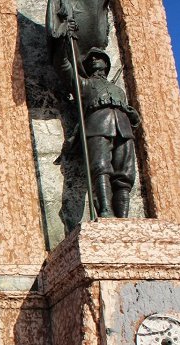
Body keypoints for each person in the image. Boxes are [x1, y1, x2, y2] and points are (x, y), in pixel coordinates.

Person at [57, 26, 140, 218]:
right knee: (100, 167)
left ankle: (123, 217)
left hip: (124, 129)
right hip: (97, 126)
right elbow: (64, 66)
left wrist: (132, 115)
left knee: (125, 174)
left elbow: (134, 119)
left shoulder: (118, 91)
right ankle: (104, 210)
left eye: (99, 57)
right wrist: (63, 41)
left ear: (106, 64)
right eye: (91, 59)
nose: (95, 60)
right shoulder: (85, 84)